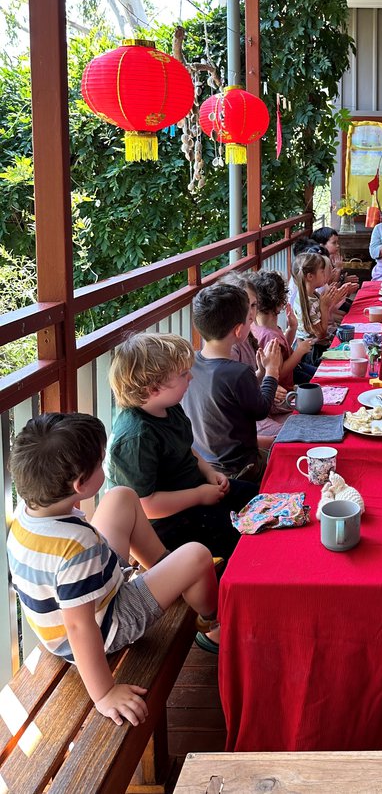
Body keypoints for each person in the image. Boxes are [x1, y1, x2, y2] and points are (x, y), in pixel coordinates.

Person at [7, 412, 223, 727]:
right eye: (100, 463)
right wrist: (104, 694)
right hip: (108, 623)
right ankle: (210, 617)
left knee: (121, 496)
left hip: (97, 587)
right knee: (196, 554)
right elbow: (81, 629)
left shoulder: (26, 517)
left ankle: (163, 567)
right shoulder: (76, 547)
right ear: (80, 484)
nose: (105, 466)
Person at [107, 332, 257, 559]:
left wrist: (209, 471)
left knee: (261, 497)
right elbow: (146, 505)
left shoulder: (168, 405)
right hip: (169, 521)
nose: (191, 379)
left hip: (196, 490)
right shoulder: (136, 437)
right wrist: (199, 495)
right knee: (244, 543)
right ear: (153, 388)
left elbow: (185, 447)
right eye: (183, 374)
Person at [181, 283, 283, 481]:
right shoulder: (238, 372)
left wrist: (260, 373)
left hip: (205, 465)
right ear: (238, 330)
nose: (252, 319)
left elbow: (231, 394)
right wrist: (272, 372)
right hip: (242, 469)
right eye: (248, 318)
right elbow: (261, 410)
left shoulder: (190, 363)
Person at [250, 269, 316, 384]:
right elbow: (278, 373)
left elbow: (283, 350)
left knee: (320, 374)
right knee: (323, 381)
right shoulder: (270, 335)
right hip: (284, 385)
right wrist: (299, 352)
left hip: (293, 369)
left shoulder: (257, 326)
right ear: (280, 303)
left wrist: (292, 328)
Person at [291, 252, 349, 360]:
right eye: (322, 271)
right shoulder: (306, 302)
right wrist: (324, 307)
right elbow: (321, 334)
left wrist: (334, 299)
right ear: (310, 276)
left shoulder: (313, 294)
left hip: (317, 346)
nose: (325, 274)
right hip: (312, 352)